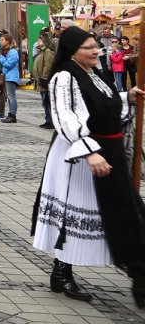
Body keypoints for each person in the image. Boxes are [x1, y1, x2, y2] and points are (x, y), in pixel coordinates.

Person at [30, 26, 145, 309]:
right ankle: (62, 271)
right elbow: (66, 117)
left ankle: (133, 264)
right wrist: (89, 152)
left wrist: (125, 98)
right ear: (71, 51)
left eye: (97, 46)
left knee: (121, 210)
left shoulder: (93, 74)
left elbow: (100, 104)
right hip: (80, 155)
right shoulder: (64, 77)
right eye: (89, 47)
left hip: (109, 151)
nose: (96, 51)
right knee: (75, 211)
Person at [0, 33, 20, 123]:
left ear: (8, 41)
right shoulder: (6, 51)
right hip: (8, 76)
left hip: (11, 76)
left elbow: (8, 64)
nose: (0, 42)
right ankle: (11, 114)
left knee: (11, 96)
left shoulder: (13, 52)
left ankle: (12, 115)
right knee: (9, 96)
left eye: (2, 40)